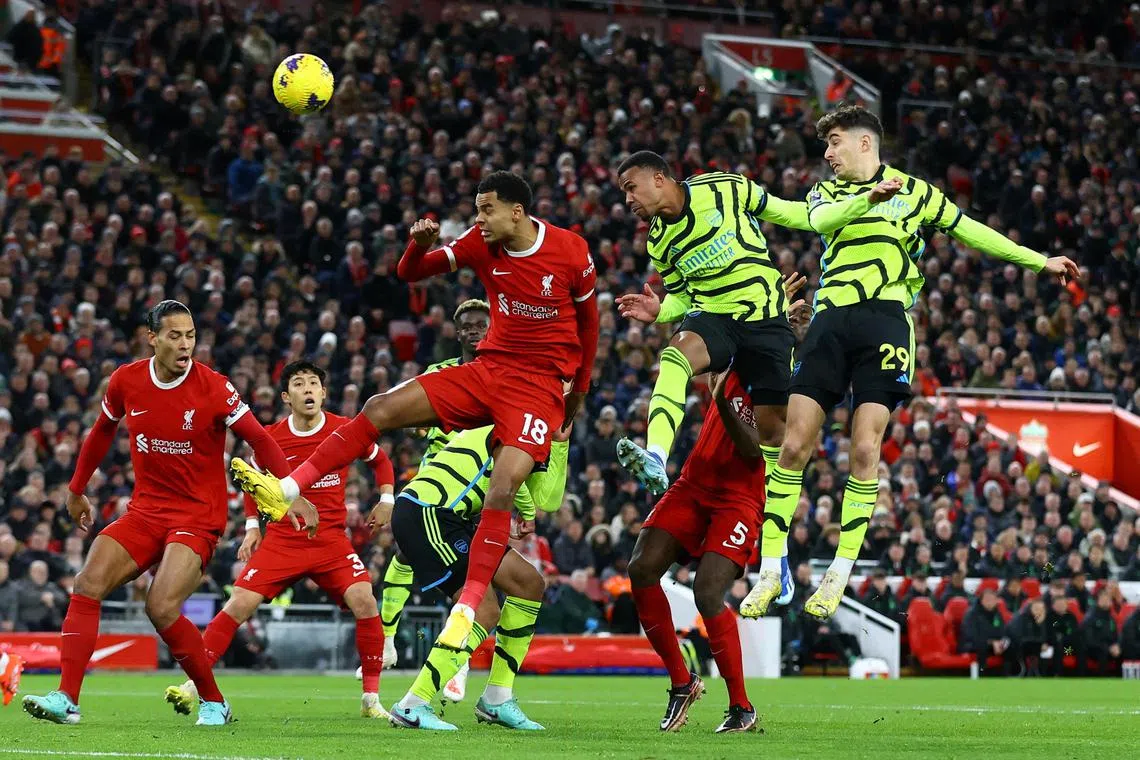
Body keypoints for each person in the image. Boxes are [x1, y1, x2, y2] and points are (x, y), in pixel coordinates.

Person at [233, 172, 598, 654]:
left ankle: (470, 606)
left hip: (538, 387)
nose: (478, 219)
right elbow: (411, 273)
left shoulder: (570, 250)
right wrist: (417, 245)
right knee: (378, 407)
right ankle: (288, 487)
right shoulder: (480, 244)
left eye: (486, 209)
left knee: (503, 485)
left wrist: (577, 393)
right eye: (476, 209)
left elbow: (590, 326)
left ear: (516, 211)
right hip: (489, 372)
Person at [742, 105, 1078, 621]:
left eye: (834, 141)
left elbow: (972, 231)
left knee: (864, 447)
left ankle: (838, 574)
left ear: (864, 142)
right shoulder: (827, 193)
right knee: (792, 445)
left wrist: (1038, 260)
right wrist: (868, 200)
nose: (827, 153)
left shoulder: (918, 193)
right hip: (830, 322)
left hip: (886, 321)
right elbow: (820, 221)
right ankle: (770, 571)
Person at [23, 300, 317, 727]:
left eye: (191, 336)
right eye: (175, 336)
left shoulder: (214, 387)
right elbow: (102, 430)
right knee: (87, 583)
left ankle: (214, 701)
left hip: (198, 516)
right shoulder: (126, 380)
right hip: (145, 511)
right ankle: (66, 699)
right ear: (153, 338)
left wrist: (292, 491)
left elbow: (260, 439)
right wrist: (76, 489)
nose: (185, 345)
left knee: (160, 606)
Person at [613, 151, 878, 495]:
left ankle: (770, 512)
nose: (628, 200)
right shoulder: (658, 242)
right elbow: (684, 298)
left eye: (631, 187)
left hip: (766, 318)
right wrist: (660, 310)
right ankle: (656, 456)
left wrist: (862, 204)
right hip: (715, 315)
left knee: (775, 434)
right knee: (674, 358)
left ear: (659, 179)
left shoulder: (723, 188)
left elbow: (791, 213)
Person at [625, 275, 809, 735]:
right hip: (695, 481)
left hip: (740, 496)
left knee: (708, 592)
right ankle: (681, 682)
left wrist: (721, 401)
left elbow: (755, 450)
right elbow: (722, 322)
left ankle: (741, 707)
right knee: (641, 568)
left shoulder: (787, 388)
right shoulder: (740, 348)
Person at [163, 361, 395, 719]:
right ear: (286, 397)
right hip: (284, 540)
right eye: (299, 384)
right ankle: (193, 686)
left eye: (313, 383)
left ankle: (371, 700)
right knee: (237, 604)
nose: (308, 389)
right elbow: (250, 481)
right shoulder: (270, 438)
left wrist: (387, 498)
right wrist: (252, 527)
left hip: (330, 541)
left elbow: (380, 460)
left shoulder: (344, 429)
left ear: (323, 393)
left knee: (365, 600)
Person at [385, 419, 571, 730]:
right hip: (429, 511)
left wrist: (560, 444)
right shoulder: (519, 420)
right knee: (484, 611)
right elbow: (512, 479)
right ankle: (412, 704)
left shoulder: (534, 428)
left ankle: (497, 699)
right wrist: (526, 512)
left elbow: (542, 496)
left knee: (528, 584)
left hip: (455, 518)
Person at [379, 299, 491, 663]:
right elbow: (412, 417)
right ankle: (388, 639)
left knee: (479, 570)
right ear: (457, 333)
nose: (474, 331)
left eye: (481, 325)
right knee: (406, 552)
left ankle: (457, 660)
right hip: (438, 477)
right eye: (468, 326)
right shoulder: (439, 372)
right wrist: (416, 423)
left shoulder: (503, 374)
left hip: (482, 482)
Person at [958, 589, 1011, 675]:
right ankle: (982, 677)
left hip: (992, 645)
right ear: (981, 600)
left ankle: (1010, 676)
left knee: (1011, 647)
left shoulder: (997, 614)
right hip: (971, 645)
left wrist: (1002, 643)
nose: (990, 602)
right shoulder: (971, 615)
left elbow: (1003, 632)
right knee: (982, 648)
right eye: (987, 599)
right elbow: (972, 636)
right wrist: (991, 643)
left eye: (993, 599)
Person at [1080, 589, 1121, 675]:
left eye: (1108, 599)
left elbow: (1115, 636)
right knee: (1103, 652)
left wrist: (1116, 645)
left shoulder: (1110, 618)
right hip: (1092, 649)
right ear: (1098, 601)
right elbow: (1089, 640)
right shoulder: (1090, 616)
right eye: (1103, 599)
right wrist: (1108, 647)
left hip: (1107, 647)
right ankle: (1101, 678)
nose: (1106, 602)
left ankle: (1119, 678)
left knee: (1121, 651)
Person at [1006, 599, 1048, 676]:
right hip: (1017, 647)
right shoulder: (1022, 618)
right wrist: (1040, 644)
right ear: (1030, 608)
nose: (1039, 611)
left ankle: (1050, 674)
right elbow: (1021, 638)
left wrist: (1040, 624)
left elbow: (1047, 637)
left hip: (1034, 647)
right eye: (1036, 609)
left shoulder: (1045, 619)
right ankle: (1028, 672)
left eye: (1042, 609)